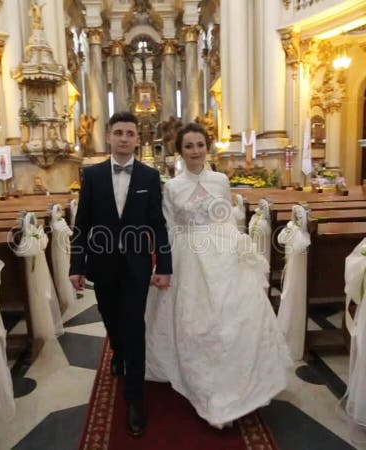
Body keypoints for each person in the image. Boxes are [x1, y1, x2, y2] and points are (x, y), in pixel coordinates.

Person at [145, 122, 291, 428]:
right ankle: (202, 382)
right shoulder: (171, 187)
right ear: (180, 151)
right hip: (188, 258)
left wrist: (238, 250)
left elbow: (227, 219)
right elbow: (170, 228)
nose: (195, 151)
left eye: (200, 145)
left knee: (231, 317)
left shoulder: (221, 180)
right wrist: (164, 266)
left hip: (223, 254)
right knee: (194, 320)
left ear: (207, 147)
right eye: (189, 146)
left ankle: (236, 380)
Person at [69, 112, 172, 437]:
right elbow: (82, 224)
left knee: (134, 325)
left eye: (130, 133)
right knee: (109, 315)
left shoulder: (149, 177)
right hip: (102, 263)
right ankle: (117, 348)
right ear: (109, 137)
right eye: (118, 133)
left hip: (136, 264)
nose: (124, 138)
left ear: (137, 139)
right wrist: (76, 265)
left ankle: (134, 399)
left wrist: (164, 265)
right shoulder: (93, 175)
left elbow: (158, 224)